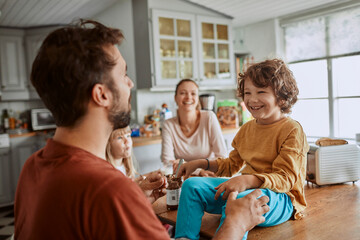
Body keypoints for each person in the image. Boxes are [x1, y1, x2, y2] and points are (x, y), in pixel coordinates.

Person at [14, 19, 269, 239]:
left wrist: (136, 203)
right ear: (101, 95)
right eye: (123, 74)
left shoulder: (33, 167)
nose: (130, 83)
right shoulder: (109, 190)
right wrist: (236, 224)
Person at [175, 58, 309, 240]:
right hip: (246, 190)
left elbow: (286, 179)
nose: (252, 99)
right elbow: (232, 164)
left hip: (282, 199)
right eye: (247, 92)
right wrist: (203, 163)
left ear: (282, 96)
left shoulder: (292, 130)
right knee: (191, 186)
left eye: (261, 92)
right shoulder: (247, 128)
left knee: (239, 200)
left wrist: (248, 180)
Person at [161, 79, 227, 176]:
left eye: (193, 93)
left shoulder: (209, 117)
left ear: (197, 98)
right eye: (183, 93)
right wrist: (198, 171)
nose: (188, 97)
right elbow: (168, 163)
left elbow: (222, 158)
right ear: (175, 98)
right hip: (184, 178)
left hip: (209, 175)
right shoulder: (168, 125)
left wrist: (185, 165)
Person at [106, 126, 167, 203]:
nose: (127, 141)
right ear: (108, 144)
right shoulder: (109, 173)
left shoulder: (125, 166)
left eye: (128, 136)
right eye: (119, 138)